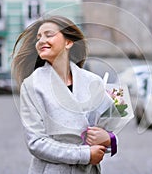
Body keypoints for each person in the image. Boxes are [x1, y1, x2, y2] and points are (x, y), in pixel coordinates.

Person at [11, 15, 119, 174]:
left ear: (68, 42)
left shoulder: (93, 81)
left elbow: (106, 128)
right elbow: (36, 143)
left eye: (49, 35)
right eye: (38, 37)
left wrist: (109, 139)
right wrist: (85, 154)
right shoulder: (32, 85)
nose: (41, 41)